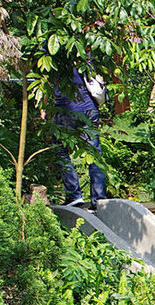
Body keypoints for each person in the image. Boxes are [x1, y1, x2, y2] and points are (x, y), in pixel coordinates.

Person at [53, 65, 107, 208]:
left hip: (65, 109)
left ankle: (73, 195)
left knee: (59, 150)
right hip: (89, 108)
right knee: (94, 153)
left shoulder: (55, 53)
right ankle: (99, 199)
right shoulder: (85, 51)